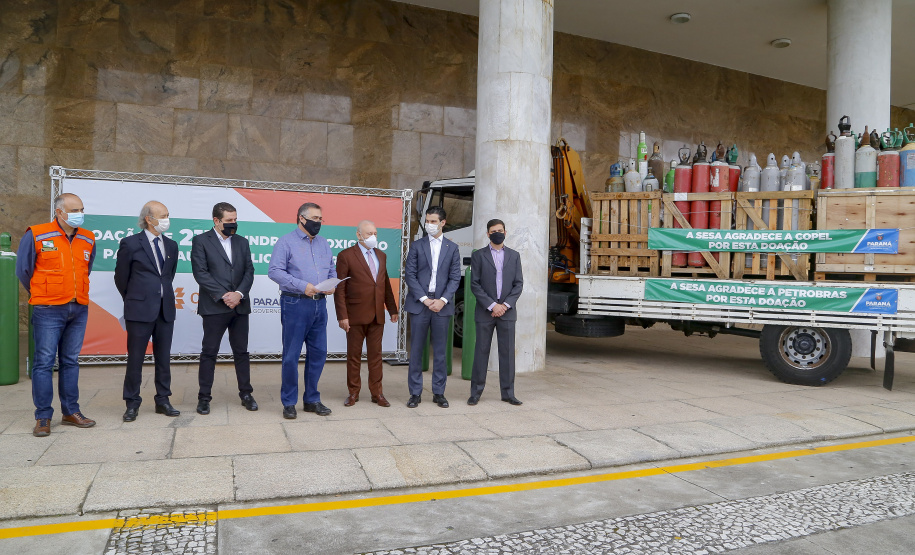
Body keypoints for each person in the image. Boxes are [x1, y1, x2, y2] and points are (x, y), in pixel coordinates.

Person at [16, 193, 97, 437]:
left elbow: (86, 268)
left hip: (78, 307)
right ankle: (43, 417)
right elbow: (24, 270)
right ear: (59, 212)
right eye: (74, 210)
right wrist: (45, 293)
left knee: (70, 361)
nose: (79, 214)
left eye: (81, 209)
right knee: (44, 363)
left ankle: (71, 411)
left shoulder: (88, 237)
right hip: (48, 309)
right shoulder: (37, 233)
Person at [268, 202, 337, 419]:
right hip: (295, 303)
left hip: (320, 304)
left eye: (320, 219)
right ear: (301, 218)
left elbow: (331, 267)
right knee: (291, 356)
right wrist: (302, 286)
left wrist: (332, 283)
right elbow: (274, 271)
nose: (318, 223)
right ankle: (289, 402)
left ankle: (312, 399)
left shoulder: (324, 243)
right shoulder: (285, 242)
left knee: (318, 354)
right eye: (315, 218)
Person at [114, 201, 180, 421]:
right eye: (162, 215)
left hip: (165, 311)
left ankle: (163, 400)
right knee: (136, 359)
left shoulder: (171, 245)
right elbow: (121, 278)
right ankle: (132, 403)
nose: (166, 220)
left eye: (167, 215)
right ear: (148, 219)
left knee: (163, 358)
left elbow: (168, 276)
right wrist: (134, 299)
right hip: (139, 311)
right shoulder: (130, 243)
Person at [190, 202, 257, 415]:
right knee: (209, 352)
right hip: (214, 307)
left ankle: (246, 393)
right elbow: (201, 273)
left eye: (235, 219)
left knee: (241, 352)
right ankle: (204, 398)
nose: (233, 224)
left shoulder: (242, 242)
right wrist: (223, 296)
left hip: (240, 306)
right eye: (229, 221)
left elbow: (249, 271)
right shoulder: (201, 241)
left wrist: (238, 294)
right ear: (216, 221)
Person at [334, 220, 399, 408]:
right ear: (358, 235)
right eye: (369, 233)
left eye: (376, 234)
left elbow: (384, 284)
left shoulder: (381, 255)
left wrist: (392, 309)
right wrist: (342, 316)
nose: (373, 237)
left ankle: (377, 393)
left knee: (376, 356)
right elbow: (340, 289)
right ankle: (353, 392)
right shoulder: (345, 256)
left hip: (377, 315)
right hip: (354, 316)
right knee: (354, 356)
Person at [404, 206, 461, 408]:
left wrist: (442, 300)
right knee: (417, 351)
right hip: (420, 305)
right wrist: (424, 299)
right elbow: (409, 275)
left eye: (433, 221)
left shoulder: (452, 248)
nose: (429, 224)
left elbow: (455, 278)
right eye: (427, 221)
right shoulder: (417, 246)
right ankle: (415, 393)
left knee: (440, 352)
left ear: (443, 223)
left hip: (442, 306)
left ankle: (439, 392)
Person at [468, 219, 524, 406]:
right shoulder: (479, 256)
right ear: (488, 234)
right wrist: (493, 305)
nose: (497, 233)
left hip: (507, 312)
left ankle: (508, 393)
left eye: (500, 230)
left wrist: (505, 305)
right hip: (486, 312)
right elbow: (474, 284)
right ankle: (475, 393)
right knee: (481, 352)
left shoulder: (514, 256)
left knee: (507, 354)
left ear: (505, 233)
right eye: (493, 231)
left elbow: (518, 284)